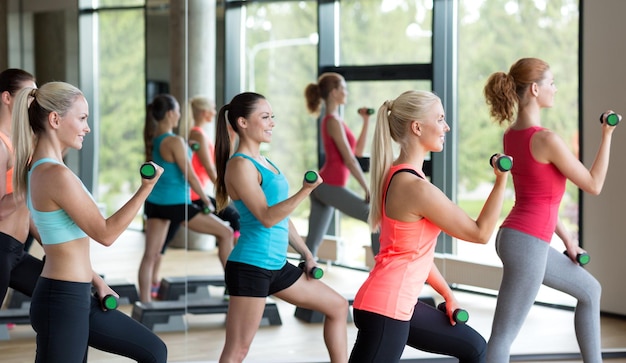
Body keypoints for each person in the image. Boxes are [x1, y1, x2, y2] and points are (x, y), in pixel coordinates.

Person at [11, 80, 167, 363]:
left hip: (80, 294)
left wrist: (95, 280)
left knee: (154, 351)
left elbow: (58, 242)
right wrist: (146, 188)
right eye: (82, 118)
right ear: (55, 119)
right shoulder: (53, 175)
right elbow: (105, 233)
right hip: (61, 300)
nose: (87, 127)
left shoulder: (48, 169)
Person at [349, 90, 509, 363]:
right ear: (417, 127)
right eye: (440, 119)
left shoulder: (397, 175)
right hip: (387, 308)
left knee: (474, 347)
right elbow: (480, 233)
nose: (446, 127)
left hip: (395, 302)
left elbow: (414, 255)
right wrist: (502, 179)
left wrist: (447, 293)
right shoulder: (415, 188)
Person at [483, 57, 616, 363]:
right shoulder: (546, 140)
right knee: (503, 335)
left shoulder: (511, 135)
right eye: (551, 83)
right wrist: (606, 136)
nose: (555, 89)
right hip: (527, 242)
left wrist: (568, 240)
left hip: (521, 238)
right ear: (534, 89)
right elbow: (594, 184)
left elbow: (538, 198)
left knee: (590, 291)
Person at [214, 92, 349, 363]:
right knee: (237, 350)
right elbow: (266, 217)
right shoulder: (240, 166)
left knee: (337, 306)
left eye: (271, 117)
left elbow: (282, 219)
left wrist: (306, 253)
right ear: (242, 122)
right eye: (264, 117)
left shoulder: (266, 162)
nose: (272, 123)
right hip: (252, 266)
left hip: (276, 264)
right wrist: (305, 191)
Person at [139, 93, 234, 302]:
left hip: (156, 203)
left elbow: (172, 163)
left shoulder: (156, 140)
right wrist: (206, 199)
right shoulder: (175, 141)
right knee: (226, 233)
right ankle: (234, 288)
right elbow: (190, 175)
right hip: (177, 204)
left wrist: (187, 148)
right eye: (179, 112)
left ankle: (145, 303)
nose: (181, 115)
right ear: (172, 114)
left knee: (150, 255)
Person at [160, 96, 241, 285]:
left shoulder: (200, 135)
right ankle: (233, 280)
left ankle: (235, 272)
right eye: (213, 108)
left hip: (194, 194)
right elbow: (211, 169)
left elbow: (219, 165)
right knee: (234, 220)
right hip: (192, 196)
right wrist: (227, 191)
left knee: (162, 243)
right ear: (205, 113)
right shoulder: (197, 135)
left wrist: (231, 139)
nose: (215, 112)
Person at [303, 72, 380, 258]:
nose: (347, 92)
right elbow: (350, 160)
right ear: (333, 92)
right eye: (343, 88)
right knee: (376, 218)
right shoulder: (332, 121)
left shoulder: (335, 121)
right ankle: (382, 268)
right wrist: (367, 188)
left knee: (312, 244)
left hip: (324, 186)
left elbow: (357, 152)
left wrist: (366, 121)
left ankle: (300, 280)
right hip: (329, 185)